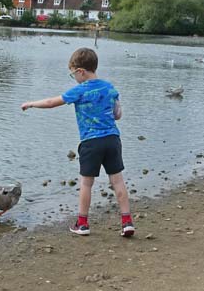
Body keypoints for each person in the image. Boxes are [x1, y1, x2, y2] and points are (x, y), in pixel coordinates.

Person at [21, 47, 134, 237]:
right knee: (117, 181)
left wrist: (31, 103)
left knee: (87, 183)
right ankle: (127, 222)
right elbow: (118, 114)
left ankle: (82, 224)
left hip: (91, 142)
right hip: (113, 140)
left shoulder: (80, 90)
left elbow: (51, 102)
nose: (74, 77)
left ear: (81, 71)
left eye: (73, 74)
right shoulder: (109, 88)